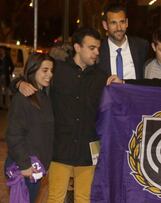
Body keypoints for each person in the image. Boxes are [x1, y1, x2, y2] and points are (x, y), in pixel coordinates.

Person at [15, 27, 107, 202]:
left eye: (98, 48)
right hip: (59, 150)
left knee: (84, 199)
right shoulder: (57, 71)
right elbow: (32, 76)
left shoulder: (102, 77)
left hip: (87, 152)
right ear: (78, 47)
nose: (96, 52)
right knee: (55, 198)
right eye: (92, 48)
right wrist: (18, 83)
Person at [5, 53, 55, 203]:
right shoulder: (23, 98)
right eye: (44, 70)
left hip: (36, 167)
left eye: (51, 70)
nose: (49, 75)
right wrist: (25, 165)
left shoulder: (43, 96)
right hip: (25, 167)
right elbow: (14, 134)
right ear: (33, 70)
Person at [99, 2, 149, 79]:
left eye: (122, 22)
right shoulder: (98, 50)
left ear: (127, 23)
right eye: (113, 23)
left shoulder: (141, 46)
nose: (119, 28)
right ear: (105, 25)